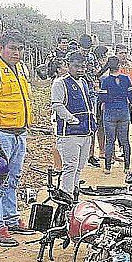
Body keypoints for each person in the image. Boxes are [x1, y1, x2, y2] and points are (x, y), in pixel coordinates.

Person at [0, 30, 34, 247]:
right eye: (12, 48)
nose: (16, 53)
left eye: (20, 49)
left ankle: (11, 219)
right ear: (1, 48)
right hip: (0, 133)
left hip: (19, 132)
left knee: (13, 178)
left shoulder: (20, 69)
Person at [51, 51, 95, 198]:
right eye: (76, 66)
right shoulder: (60, 83)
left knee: (80, 167)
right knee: (70, 166)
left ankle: (74, 192)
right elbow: (57, 105)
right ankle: (66, 194)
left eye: (82, 66)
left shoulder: (83, 82)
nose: (80, 69)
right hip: (69, 133)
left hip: (86, 132)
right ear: (68, 65)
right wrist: (72, 119)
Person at [98, 56, 132, 176]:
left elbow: (102, 98)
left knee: (110, 141)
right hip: (124, 111)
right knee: (125, 140)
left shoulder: (105, 80)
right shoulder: (126, 79)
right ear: (119, 66)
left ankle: (108, 168)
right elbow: (131, 97)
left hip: (109, 112)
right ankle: (127, 167)